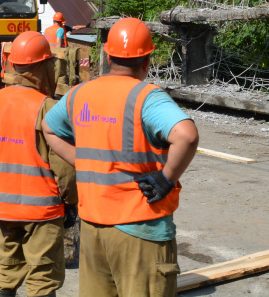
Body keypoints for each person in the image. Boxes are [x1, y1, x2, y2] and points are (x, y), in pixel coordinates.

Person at [42, 17, 199, 297]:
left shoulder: (80, 93)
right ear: (147, 60)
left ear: (106, 53)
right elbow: (186, 135)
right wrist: (165, 178)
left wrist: (83, 161)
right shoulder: (147, 96)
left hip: (93, 227)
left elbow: (49, 128)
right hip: (140, 229)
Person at [0, 31, 77, 297]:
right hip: (42, 210)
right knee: (43, 277)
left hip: (3, 207)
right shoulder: (47, 107)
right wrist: (70, 202)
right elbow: (65, 167)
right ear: (43, 68)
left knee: (6, 271)